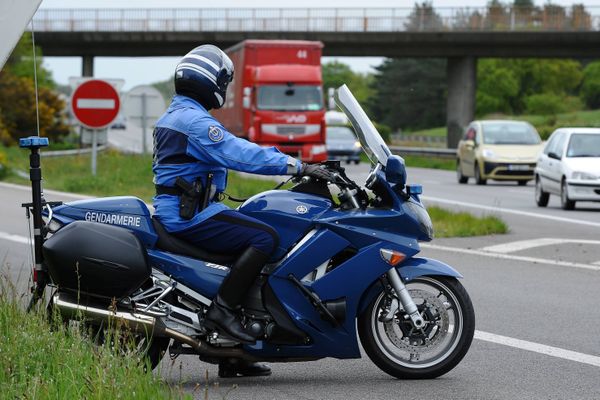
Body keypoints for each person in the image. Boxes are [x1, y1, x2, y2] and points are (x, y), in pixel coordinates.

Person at [152, 44, 332, 378]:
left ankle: (234, 354)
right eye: (223, 81)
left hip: (186, 209)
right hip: (188, 216)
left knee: (254, 229)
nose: (225, 88)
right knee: (265, 238)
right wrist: (298, 166)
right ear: (208, 81)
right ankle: (223, 313)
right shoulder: (195, 122)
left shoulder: (178, 114)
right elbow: (241, 153)